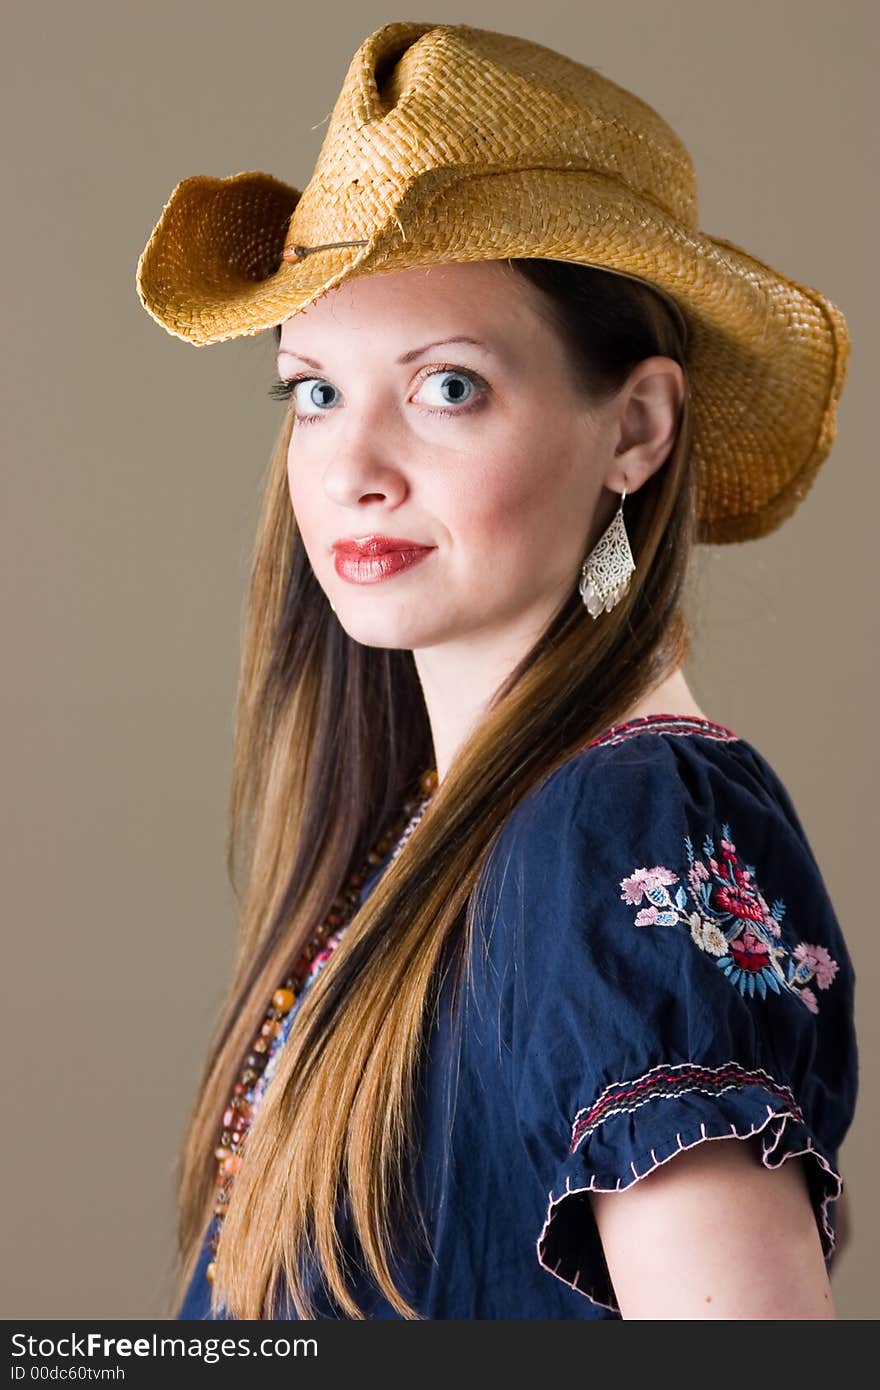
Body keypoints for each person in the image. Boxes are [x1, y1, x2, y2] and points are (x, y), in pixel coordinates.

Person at [135, 22, 858, 1320]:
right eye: (313, 391)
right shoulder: (441, 827)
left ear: (634, 428)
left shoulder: (620, 825)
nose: (355, 462)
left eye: (448, 386)